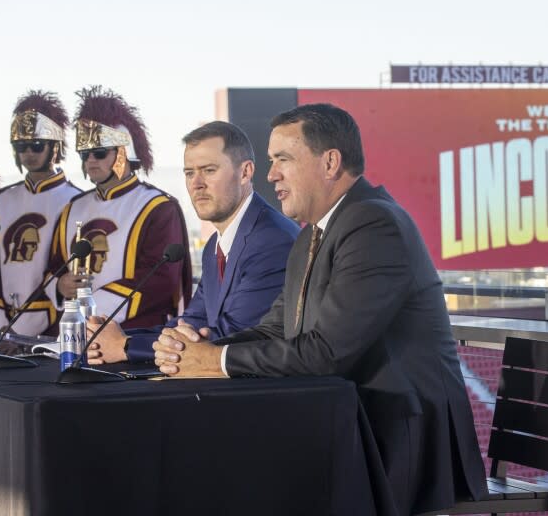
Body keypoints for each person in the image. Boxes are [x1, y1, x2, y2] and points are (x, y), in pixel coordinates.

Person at [154, 103, 487, 515]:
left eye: (283, 160)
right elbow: (277, 328)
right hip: (346, 424)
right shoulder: (315, 232)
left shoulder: (373, 224)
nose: (271, 174)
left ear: (330, 162)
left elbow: (326, 353)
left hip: (400, 438)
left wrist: (216, 360)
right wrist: (199, 351)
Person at [87, 121, 299, 363]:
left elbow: (232, 338)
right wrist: (113, 336)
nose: (196, 184)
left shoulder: (272, 240)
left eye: (209, 170)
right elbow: (192, 323)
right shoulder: (214, 246)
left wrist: (125, 346)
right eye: (189, 173)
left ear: (245, 172)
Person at [48, 86, 192, 328]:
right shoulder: (71, 208)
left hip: (135, 335)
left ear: (124, 153)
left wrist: (92, 309)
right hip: (74, 331)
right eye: (84, 154)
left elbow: (161, 279)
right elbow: (54, 266)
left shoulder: (158, 207)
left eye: (99, 152)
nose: (90, 160)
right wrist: (60, 286)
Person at [0, 90, 81, 335]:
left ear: (54, 147)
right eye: (21, 146)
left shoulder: (76, 201)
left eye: (36, 145)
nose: (29, 153)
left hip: (55, 324)